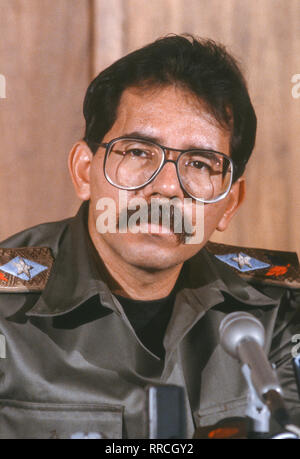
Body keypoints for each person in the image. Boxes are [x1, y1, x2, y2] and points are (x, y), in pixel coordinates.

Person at [0, 34, 299, 439]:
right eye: (139, 152)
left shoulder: (276, 313)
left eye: (199, 163)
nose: (167, 188)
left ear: (230, 203)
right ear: (84, 171)